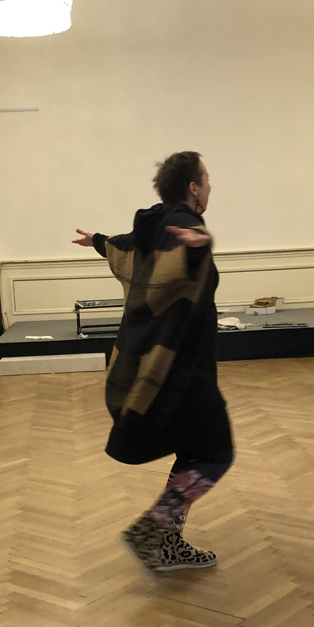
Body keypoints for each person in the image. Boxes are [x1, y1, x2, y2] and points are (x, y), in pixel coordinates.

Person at [72, 151, 234, 574]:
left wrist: (97, 240)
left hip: (154, 366)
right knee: (217, 454)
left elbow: (125, 249)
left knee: (193, 453)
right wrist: (196, 252)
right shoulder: (185, 226)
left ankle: (166, 543)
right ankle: (153, 532)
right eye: (206, 179)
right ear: (194, 187)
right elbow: (176, 266)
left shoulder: (153, 224)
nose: (210, 185)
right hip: (183, 369)